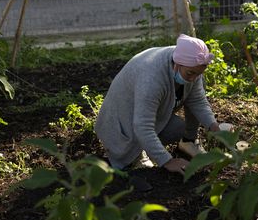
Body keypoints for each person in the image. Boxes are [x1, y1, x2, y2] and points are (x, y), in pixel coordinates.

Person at [95, 34, 225, 190]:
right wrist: (167, 161)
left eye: (198, 74)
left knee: (177, 129)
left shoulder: (189, 64)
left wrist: (213, 126)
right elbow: (142, 125)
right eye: (191, 74)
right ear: (177, 64)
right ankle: (136, 156)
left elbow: (197, 100)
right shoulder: (152, 79)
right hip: (120, 125)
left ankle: (182, 143)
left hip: (145, 114)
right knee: (128, 166)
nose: (194, 79)